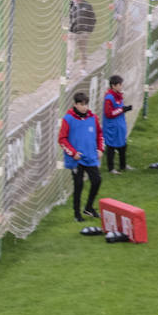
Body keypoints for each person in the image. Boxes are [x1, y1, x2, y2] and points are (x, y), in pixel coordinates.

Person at [58, 90, 103, 222]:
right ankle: (77, 214)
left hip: (90, 157)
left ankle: (88, 207)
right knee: (78, 185)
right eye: (82, 104)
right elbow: (62, 139)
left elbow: (99, 134)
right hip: (76, 160)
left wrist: (100, 149)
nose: (85, 107)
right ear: (75, 105)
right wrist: (73, 153)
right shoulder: (68, 119)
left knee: (97, 181)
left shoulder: (93, 118)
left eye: (86, 104)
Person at [102, 74, 132, 174]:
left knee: (122, 145)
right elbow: (109, 113)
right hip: (112, 127)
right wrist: (121, 109)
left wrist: (125, 109)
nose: (121, 86)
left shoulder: (119, 95)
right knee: (111, 146)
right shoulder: (109, 98)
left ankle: (123, 166)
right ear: (113, 86)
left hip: (120, 125)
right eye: (119, 84)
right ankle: (111, 169)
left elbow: (119, 109)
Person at [68, 0, 95, 75]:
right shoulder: (69, 4)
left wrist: (88, 31)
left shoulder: (87, 5)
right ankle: (68, 69)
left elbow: (93, 19)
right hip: (71, 32)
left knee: (83, 51)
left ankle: (83, 68)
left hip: (83, 33)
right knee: (69, 51)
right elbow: (64, 16)